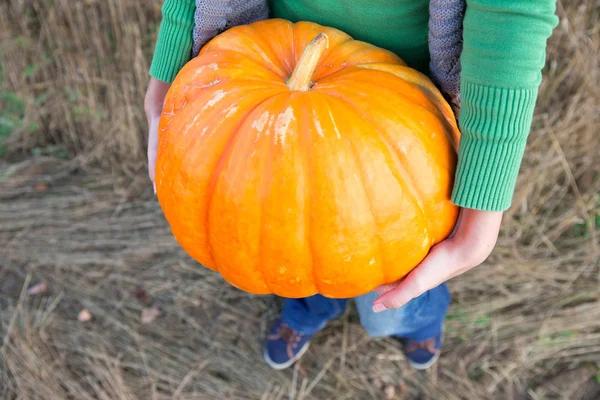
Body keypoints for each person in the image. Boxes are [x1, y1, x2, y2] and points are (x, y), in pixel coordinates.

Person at [145, 0, 558, 370]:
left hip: (404, 120)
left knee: (390, 301)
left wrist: (482, 214)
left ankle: (419, 322)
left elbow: (510, 13)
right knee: (286, 249)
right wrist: (163, 90)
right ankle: (308, 310)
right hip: (273, 80)